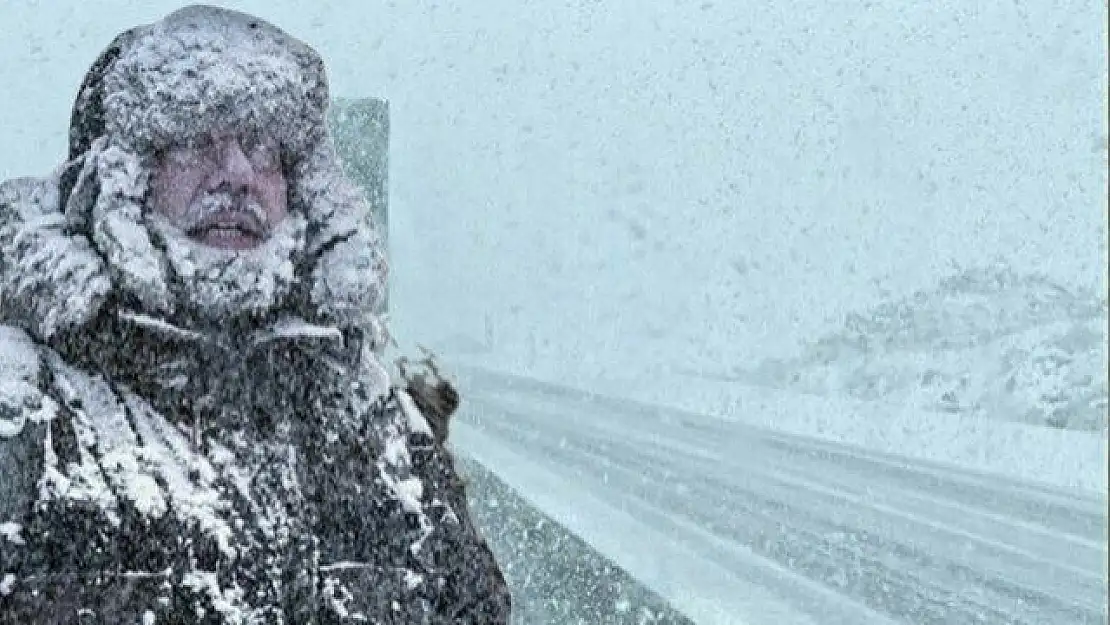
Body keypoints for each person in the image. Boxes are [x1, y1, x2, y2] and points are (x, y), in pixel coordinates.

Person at [0, 5, 511, 623]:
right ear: (124, 175)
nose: (239, 174)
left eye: (262, 147)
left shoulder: (374, 415)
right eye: (195, 139)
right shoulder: (25, 407)